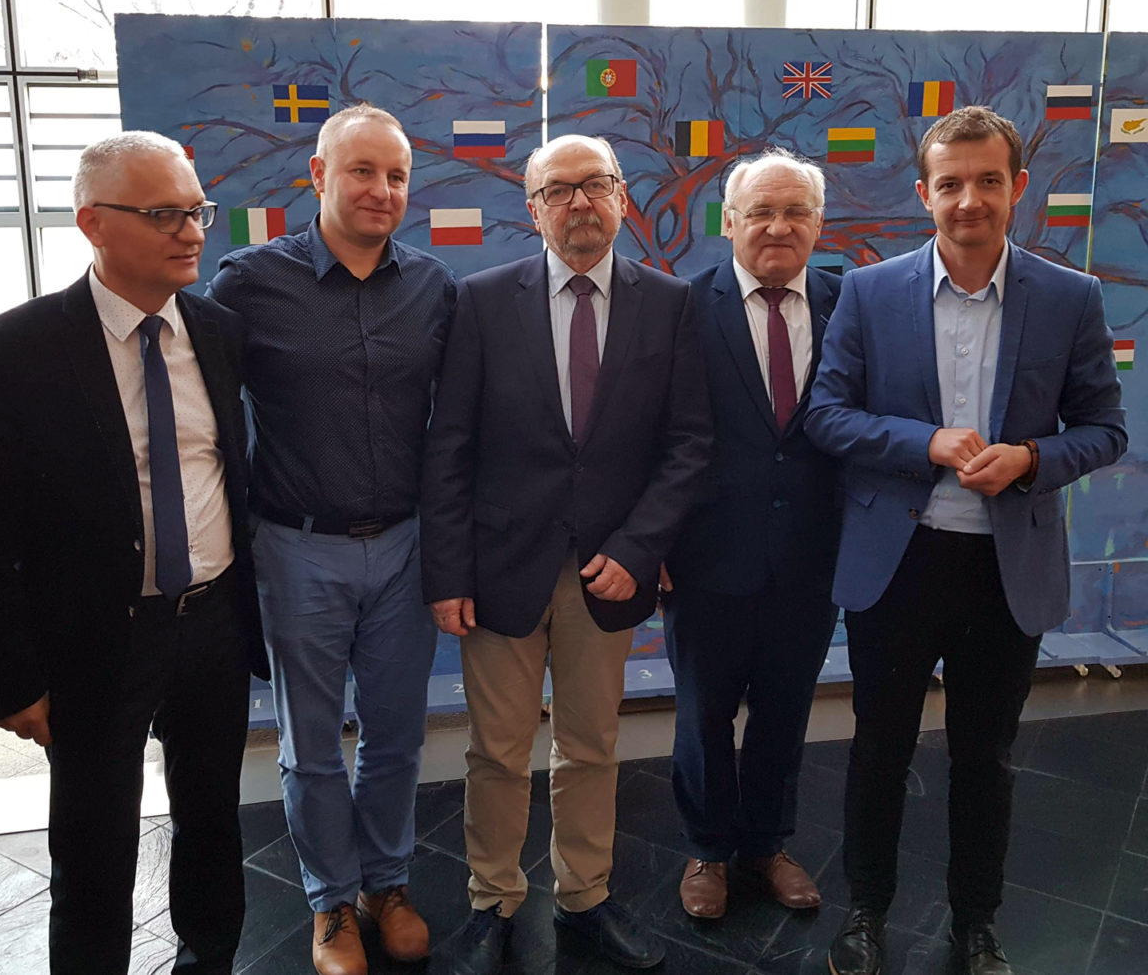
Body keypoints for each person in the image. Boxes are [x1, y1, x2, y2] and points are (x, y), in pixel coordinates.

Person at [805, 106, 1127, 975]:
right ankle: (866, 912)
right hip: (898, 566)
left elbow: (1105, 430)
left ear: (1017, 187)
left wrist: (1031, 458)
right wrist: (926, 443)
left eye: (989, 181)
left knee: (986, 759)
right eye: (950, 184)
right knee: (878, 751)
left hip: (1004, 571)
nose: (970, 200)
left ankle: (975, 924)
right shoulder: (869, 293)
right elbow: (826, 415)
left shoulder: (1070, 298)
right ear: (924, 193)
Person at [0, 131, 268, 974]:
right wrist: (6, 677)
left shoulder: (219, 331)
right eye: (164, 214)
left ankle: (210, 956)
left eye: (197, 211)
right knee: (93, 846)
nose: (191, 232)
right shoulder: (16, 349)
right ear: (92, 222)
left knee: (212, 820)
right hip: (93, 638)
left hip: (212, 625)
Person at [421, 133, 712, 975]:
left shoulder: (670, 304)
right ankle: (493, 900)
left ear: (623, 197)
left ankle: (585, 895)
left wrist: (639, 547)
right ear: (533, 208)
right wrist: (447, 572)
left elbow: (689, 444)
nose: (578, 202)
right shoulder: (480, 301)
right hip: (498, 571)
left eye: (595, 185)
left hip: (608, 574)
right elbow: (450, 445)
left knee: (591, 746)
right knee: (496, 751)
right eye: (559, 190)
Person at [207, 103, 455, 975]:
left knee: (395, 736)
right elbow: (200, 411)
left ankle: (388, 884)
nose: (382, 189)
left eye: (397, 176)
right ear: (318, 175)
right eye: (362, 171)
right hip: (295, 547)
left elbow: (461, 422)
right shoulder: (247, 283)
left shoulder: (434, 288)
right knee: (310, 746)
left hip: (405, 548)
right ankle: (331, 902)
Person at [662, 148, 841, 920]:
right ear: (729, 222)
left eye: (795, 211)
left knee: (785, 711)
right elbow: (652, 432)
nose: (778, 226)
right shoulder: (679, 308)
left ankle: (766, 845)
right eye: (761, 212)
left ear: (818, 224)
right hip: (705, 558)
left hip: (812, 557)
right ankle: (707, 848)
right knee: (702, 716)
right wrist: (653, 542)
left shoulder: (850, 303)